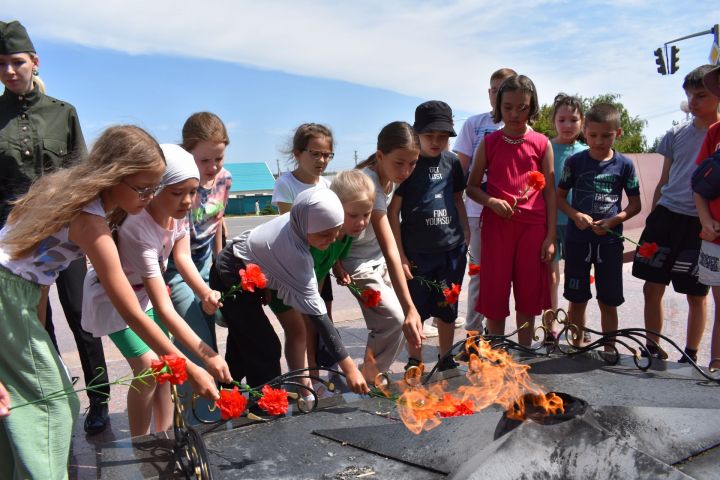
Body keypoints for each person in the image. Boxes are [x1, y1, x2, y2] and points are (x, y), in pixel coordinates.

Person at [0, 125, 220, 480]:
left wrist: (39, 332)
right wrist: (190, 366)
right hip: (7, 299)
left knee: (19, 402)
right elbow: (131, 309)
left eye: (154, 187)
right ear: (114, 175)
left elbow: (39, 281)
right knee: (52, 406)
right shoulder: (89, 220)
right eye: (144, 188)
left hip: (15, 298)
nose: (150, 196)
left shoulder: (66, 193)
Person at [0, 19, 110, 434]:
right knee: (33, 326)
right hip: (16, 242)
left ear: (35, 62)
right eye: (2, 65)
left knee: (83, 316)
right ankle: (44, 398)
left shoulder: (62, 114)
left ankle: (99, 399)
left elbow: (83, 175)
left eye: (17, 62)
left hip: (66, 234)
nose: (10, 71)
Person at [82, 144, 231, 437]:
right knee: (150, 370)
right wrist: (206, 356)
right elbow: (164, 308)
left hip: (146, 294)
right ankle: (141, 443)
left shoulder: (177, 214)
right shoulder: (138, 230)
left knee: (166, 370)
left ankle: (162, 436)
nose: (188, 201)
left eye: (192, 191)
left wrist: (203, 292)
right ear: (153, 189)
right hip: (116, 302)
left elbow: (183, 257)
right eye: (177, 192)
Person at [212, 188, 370, 394]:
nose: (332, 239)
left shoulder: (298, 219)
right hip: (230, 275)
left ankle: (228, 394)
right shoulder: (295, 254)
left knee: (244, 340)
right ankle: (264, 406)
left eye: (336, 231)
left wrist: (267, 283)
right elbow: (319, 318)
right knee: (266, 347)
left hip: (249, 271)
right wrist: (350, 370)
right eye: (325, 234)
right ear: (306, 227)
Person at [633, 66, 719, 362]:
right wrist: (653, 215)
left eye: (701, 95)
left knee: (697, 294)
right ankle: (652, 345)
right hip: (667, 216)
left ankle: (691, 353)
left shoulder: (717, 135)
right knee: (651, 286)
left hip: (700, 222)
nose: (693, 101)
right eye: (689, 95)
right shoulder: (675, 134)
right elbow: (665, 179)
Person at [466, 74, 556, 347]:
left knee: (528, 292)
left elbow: (550, 191)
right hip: (497, 227)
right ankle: (497, 353)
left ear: (532, 107)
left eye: (523, 107)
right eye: (508, 107)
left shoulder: (542, 143)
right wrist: (492, 202)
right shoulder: (490, 142)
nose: (515, 114)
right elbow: (471, 187)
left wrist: (551, 236)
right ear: (498, 106)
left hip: (533, 228)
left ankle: (524, 351)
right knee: (494, 289)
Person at [268, 170, 375, 392]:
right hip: (287, 284)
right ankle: (307, 382)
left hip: (309, 284)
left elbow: (329, 261)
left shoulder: (344, 235)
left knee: (311, 329)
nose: (361, 222)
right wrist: (350, 369)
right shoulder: (321, 235)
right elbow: (308, 266)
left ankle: (310, 380)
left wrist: (338, 268)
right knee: (301, 331)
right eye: (353, 215)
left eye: (366, 214)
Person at [388, 101, 469, 370]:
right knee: (416, 310)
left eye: (443, 136)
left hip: (451, 250)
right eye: (429, 136)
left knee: (448, 307)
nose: (436, 141)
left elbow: (457, 199)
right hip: (417, 254)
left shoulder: (452, 162)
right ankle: (416, 359)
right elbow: (393, 212)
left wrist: (465, 232)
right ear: (416, 134)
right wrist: (399, 255)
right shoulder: (409, 164)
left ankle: (446, 358)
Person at [163, 112, 232, 420]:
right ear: (187, 153)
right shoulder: (180, 189)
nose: (212, 167)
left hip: (206, 262)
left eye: (218, 158)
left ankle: (216, 397)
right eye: (205, 161)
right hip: (177, 268)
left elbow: (217, 224)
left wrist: (219, 266)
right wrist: (203, 290)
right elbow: (180, 255)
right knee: (194, 334)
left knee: (219, 321)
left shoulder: (225, 179)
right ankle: (198, 417)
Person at [557, 103, 641, 348]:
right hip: (578, 240)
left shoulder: (624, 165)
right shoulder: (574, 162)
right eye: (593, 135)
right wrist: (575, 215)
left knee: (609, 299)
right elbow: (559, 197)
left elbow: (635, 204)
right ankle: (575, 344)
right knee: (577, 297)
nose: (599, 141)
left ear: (618, 133)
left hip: (610, 242)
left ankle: (609, 346)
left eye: (607, 135)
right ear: (585, 131)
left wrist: (615, 220)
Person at [343, 121, 423, 377]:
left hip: (376, 258)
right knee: (396, 319)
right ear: (380, 155)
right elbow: (388, 246)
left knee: (399, 324)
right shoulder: (370, 183)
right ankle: (368, 379)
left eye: (412, 163)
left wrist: (401, 258)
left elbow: (392, 230)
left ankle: (370, 375)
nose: (406, 171)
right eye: (400, 163)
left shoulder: (391, 177)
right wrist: (410, 306)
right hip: (357, 263)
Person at [453, 67, 517, 334]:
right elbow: (460, 171)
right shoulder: (474, 124)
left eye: (503, 90)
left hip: (509, 215)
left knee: (503, 274)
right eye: (494, 90)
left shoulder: (522, 128)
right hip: (476, 211)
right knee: (478, 273)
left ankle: (495, 334)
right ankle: (472, 333)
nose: (497, 95)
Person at [548, 94, 587, 339]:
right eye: (562, 119)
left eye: (573, 120)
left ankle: (576, 324)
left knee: (577, 276)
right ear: (553, 121)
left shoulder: (586, 150)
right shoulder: (545, 147)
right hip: (550, 222)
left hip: (576, 222)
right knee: (551, 276)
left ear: (582, 122)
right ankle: (550, 325)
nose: (567, 125)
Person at [693, 64, 720, 372]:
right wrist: (704, 219)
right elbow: (698, 184)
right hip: (714, 236)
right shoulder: (715, 133)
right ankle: (716, 363)